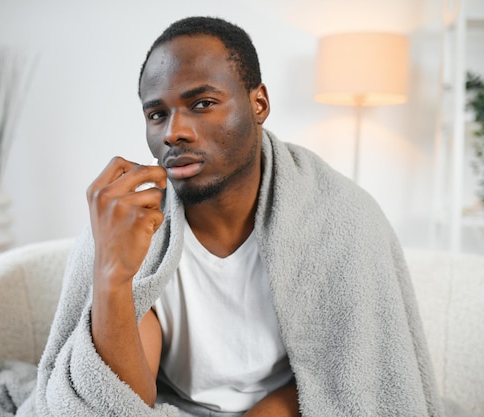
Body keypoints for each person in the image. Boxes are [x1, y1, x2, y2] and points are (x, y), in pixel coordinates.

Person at [23, 16, 443, 417]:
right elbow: (119, 403)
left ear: (258, 103)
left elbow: (354, 384)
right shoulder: (133, 230)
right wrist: (111, 274)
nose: (174, 132)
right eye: (157, 114)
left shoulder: (341, 218)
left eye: (202, 103)